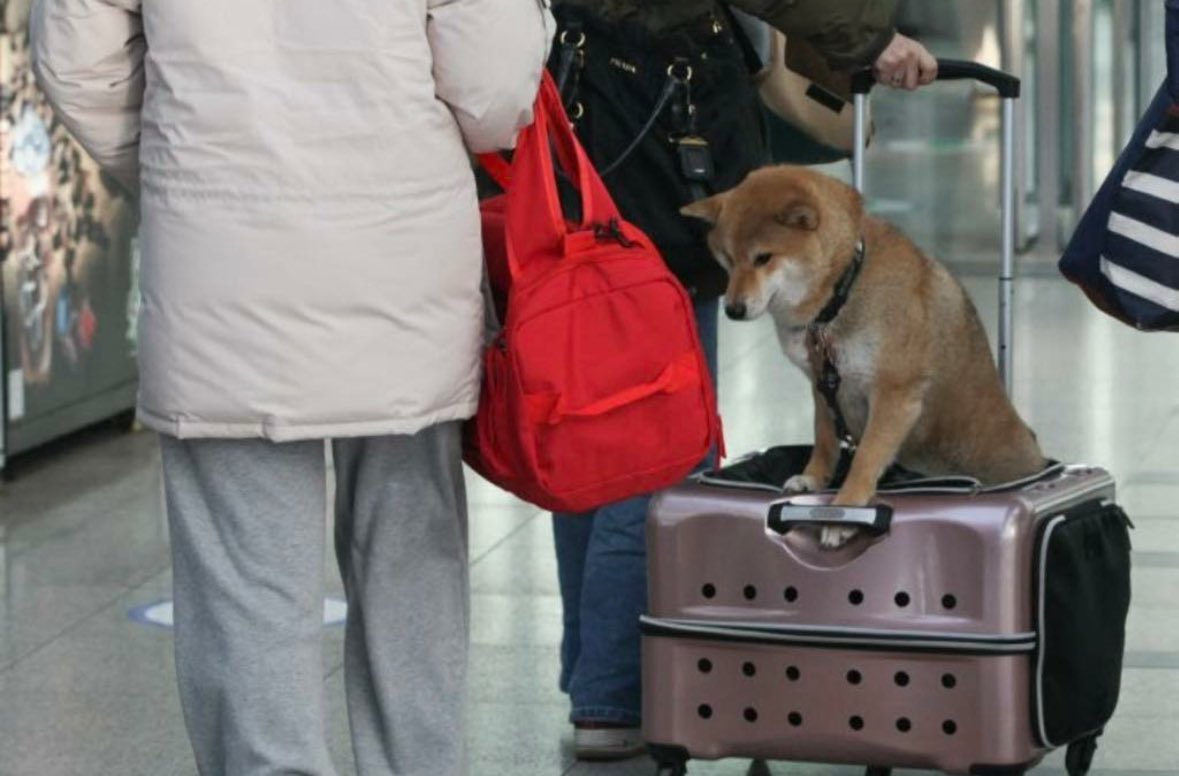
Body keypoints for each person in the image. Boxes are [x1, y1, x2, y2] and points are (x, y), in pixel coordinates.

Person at [30, 1, 553, 774]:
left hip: (223, 263)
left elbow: (78, 62)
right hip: (398, 258)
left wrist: (182, 160)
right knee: (409, 559)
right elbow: (494, 83)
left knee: (245, 577)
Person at [548, 0, 937, 761]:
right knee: (658, 447)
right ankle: (616, 693)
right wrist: (871, 38)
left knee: (598, 441)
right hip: (658, 141)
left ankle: (598, 685)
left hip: (575, 138)